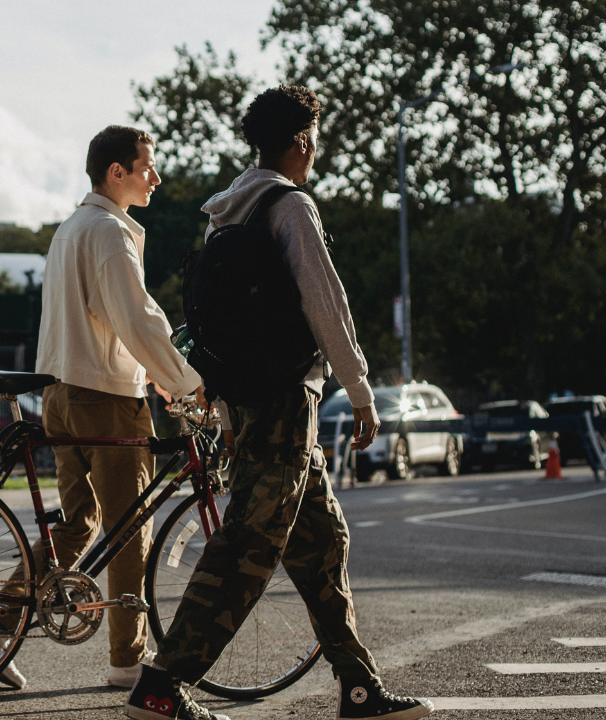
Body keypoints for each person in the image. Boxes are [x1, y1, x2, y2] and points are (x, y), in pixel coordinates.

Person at [124, 87, 434, 720]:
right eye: (312, 141)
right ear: (300, 143)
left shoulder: (225, 215)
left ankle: (358, 688)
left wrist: (233, 417)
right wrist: (360, 390)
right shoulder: (290, 207)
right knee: (248, 546)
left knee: (322, 541)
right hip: (289, 402)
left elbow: (221, 331)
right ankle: (162, 683)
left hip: (253, 405)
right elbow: (327, 305)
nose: (314, 153)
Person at [0, 125, 203, 690]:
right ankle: (126, 661)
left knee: (78, 523)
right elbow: (135, 318)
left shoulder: (70, 228)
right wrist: (184, 382)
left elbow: (109, 320)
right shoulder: (109, 233)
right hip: (105, 398)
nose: (156, 177)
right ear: (116, 172)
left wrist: (160, 376)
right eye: (147, 166)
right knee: (127, 531)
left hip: (61, 394)